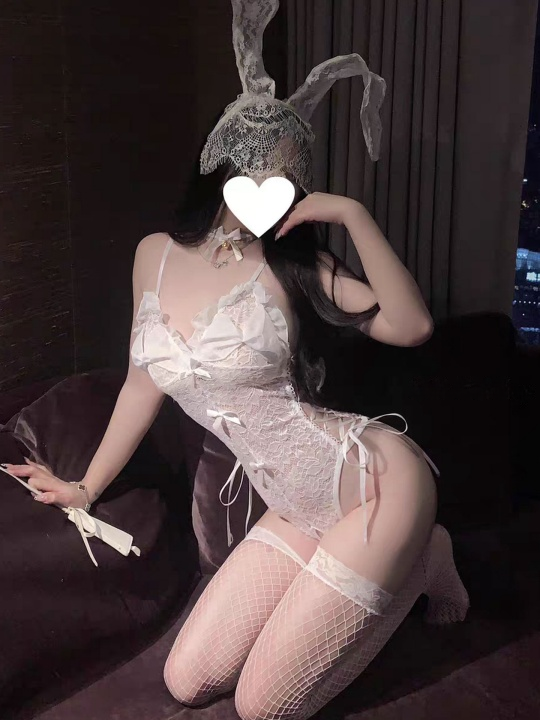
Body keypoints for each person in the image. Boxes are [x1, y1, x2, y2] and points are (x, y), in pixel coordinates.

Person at [5, 2, 470, 718]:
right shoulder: (154, 256)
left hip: (379, 485)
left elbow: (412, 327)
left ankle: (425, 555)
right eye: (255, 168)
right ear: (217, 165)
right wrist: (84, 488)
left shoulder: (299, 267)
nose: (268, 187)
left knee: (262, 707)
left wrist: (350, 215)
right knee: (186, 680)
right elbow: (142, 384)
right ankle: (389, 561)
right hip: (295, 507)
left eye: (287, 176)